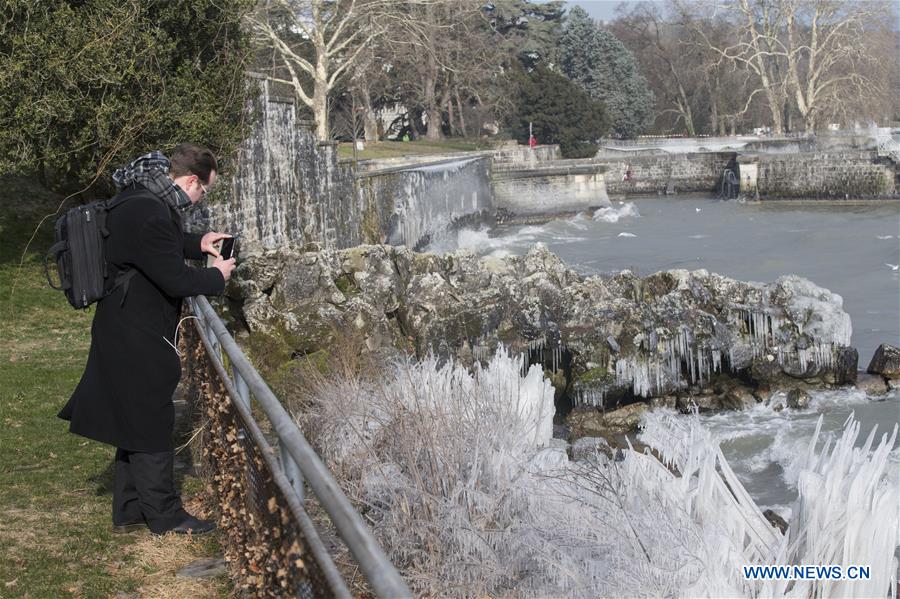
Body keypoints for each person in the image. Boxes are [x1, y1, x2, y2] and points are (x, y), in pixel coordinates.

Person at [59, 144, 236, 536]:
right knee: (153, 418)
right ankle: (165, 515)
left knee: (132, 417)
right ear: (191, 180)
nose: (199, 199)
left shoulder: (139, 197)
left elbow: (152, 249)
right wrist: (216, 277)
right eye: (203, 191)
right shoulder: (151, 211)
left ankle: (129, 510)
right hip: (136, 329)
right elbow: (173, 277)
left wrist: (199, 241)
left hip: (121, 322)